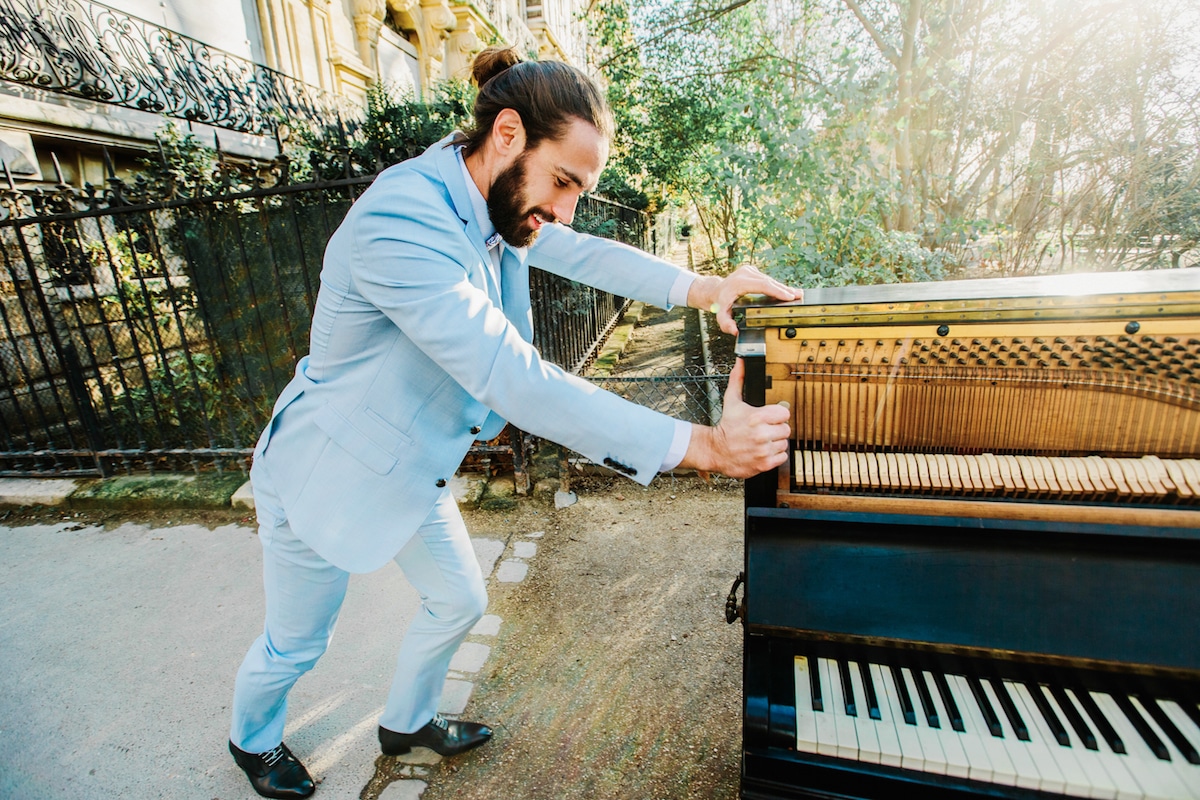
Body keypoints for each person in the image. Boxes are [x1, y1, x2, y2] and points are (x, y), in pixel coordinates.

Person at [228, 46, 801, 799]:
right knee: (298, 642)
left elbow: (586, 251)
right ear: (507, 133)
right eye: (564, 182)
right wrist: (701, 445)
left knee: (459, 600)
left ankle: (407, 723)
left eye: (578, 190)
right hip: (325, 470)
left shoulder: (492, 196)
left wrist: (705, 286)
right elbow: (512, 377)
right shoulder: (402, 218)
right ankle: (252, 740)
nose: (565, 208)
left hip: (414, 462)